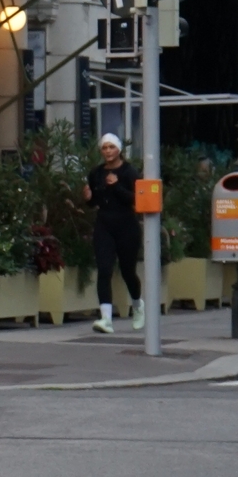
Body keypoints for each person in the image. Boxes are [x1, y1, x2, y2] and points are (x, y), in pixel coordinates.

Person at [83, 133, 144, 335]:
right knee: (104, 269)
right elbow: (94, 202)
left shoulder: (129, 171)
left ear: (119, 150)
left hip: (127, 225)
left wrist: (116, 186)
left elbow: (136, 199)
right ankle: (106, 319)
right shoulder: (96, 173)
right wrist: (89, 198)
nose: (108, 151)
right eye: (104, 148)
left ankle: (137, 305)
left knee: (128, 272)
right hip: (104, 224)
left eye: (111, 147)